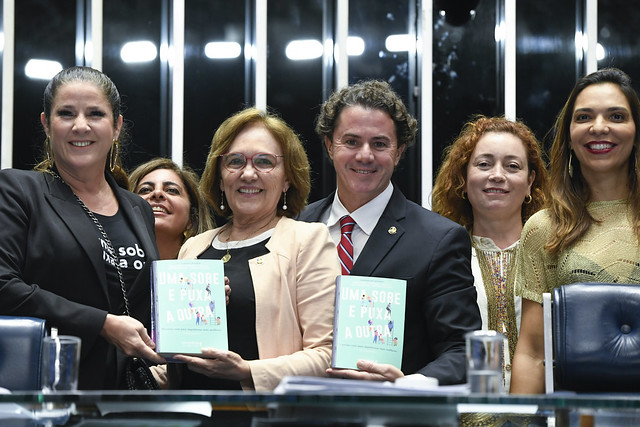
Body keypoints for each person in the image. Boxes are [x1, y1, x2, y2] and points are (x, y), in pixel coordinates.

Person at [298, 79, 481, 384]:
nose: (365, 155)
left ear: (399, 152)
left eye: (380, 144)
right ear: (330, 146)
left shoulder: (438, 240)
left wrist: (407, 385)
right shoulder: (294, 226)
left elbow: (462, 350)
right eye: (351, 141)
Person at [0, 66, 164, 389]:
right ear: (46, 124)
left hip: (128, 396)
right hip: (48, 388)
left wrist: (201, 298)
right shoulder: (19, 191)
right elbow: (3, 285)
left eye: (95, 114)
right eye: (66, 113)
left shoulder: (138, 208)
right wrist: (102, 324)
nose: (80, 125)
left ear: (116, 126)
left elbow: (141, 307)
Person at [160, 107, 340, 391]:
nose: (247, 174)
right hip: (189, 409)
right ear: (220, 178)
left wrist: (247, 372)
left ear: (287, 179)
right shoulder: (193, 247)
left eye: (264, 162)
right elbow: (178, 353)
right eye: (235, 161)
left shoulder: (308, 241)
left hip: (261, 412)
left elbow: (328, 355)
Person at [510, 67, 640, 394]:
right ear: (568, 136)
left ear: (636, 131)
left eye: (616, 116)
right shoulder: (544, 228)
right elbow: (533, 353)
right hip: (578, 413)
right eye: (584, 117)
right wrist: (518, 417)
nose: (599, 127)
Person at [432, 115, 548, 391]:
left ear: (530, 181)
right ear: (463, 177)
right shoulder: (438, 257)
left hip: (543, 410)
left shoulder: (552, 255)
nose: (497, 175)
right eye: (484, 164)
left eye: (512, 166)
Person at [129, 158, 214, 260]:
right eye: (145, 190)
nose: (157, 193)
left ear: (192, 218)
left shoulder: (212, 267)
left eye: (172, 190)